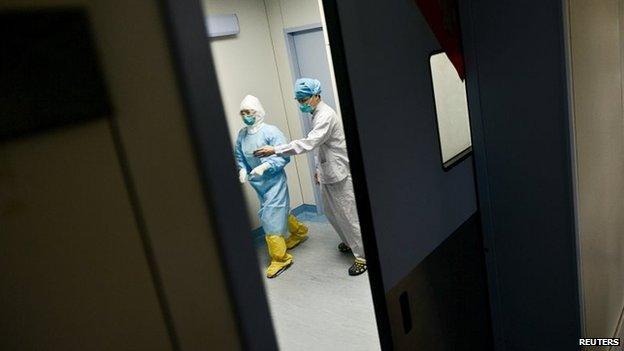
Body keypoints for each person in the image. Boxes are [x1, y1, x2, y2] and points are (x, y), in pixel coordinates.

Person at [254, 79, 366, 276]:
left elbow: (310, 143)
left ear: (316, 96)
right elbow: (321, 147)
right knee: (332, 213)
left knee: (349, 216)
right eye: (299, 100)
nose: (301, 104)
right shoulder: (316, 114)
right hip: (328, 171)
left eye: (304, 99)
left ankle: (363, 256)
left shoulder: (326, 115)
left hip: (339, 172)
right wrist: (318, 170)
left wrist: (275, 150)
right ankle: (349, 243)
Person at [234, 95, 309, 278]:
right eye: (243, 113)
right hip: (257, 182)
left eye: (249, 112)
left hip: (274, 180)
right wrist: (242, 170)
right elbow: (239, 155)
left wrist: (266, 166)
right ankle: (299, 231)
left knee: (269, 216)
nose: (246, 116)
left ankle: (280, 258)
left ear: (258, 112)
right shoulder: (242, 134)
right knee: (276, 211)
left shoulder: (271, 131)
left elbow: (283, 154)